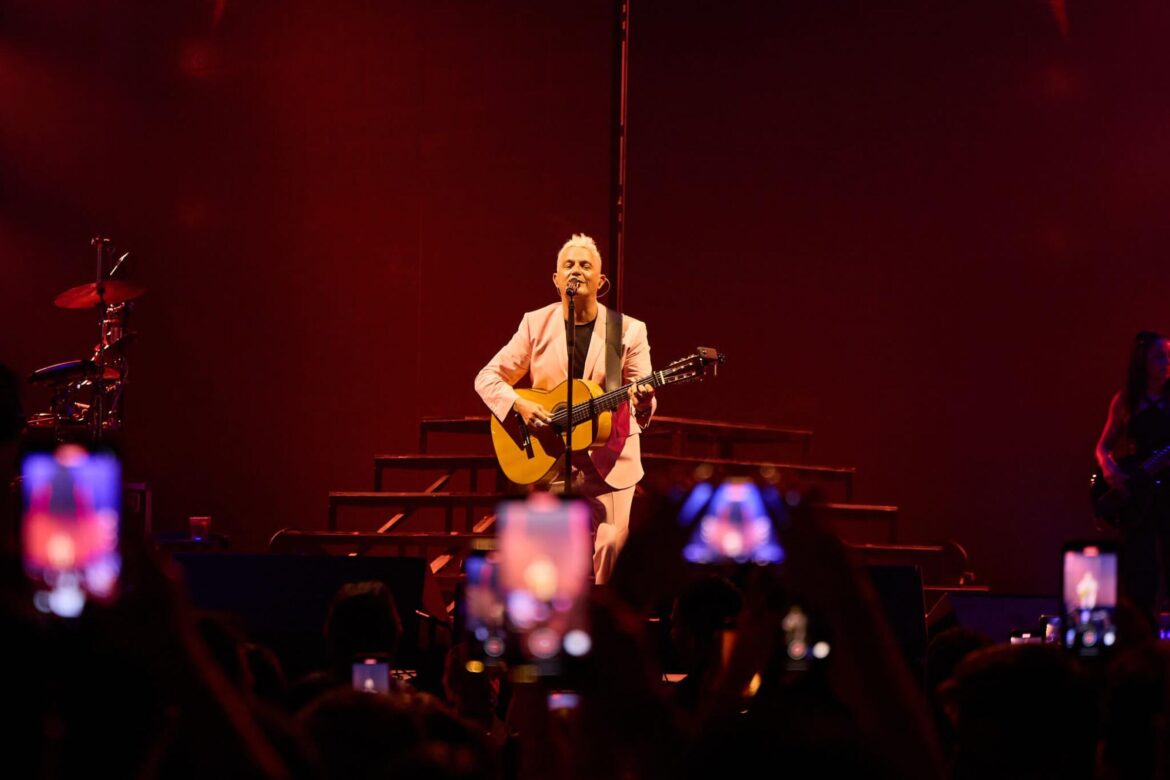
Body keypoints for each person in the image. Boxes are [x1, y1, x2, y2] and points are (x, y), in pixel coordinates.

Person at [475, 234, 655, 583]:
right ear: (556, 279)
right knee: (546, 560)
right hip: (552, 455)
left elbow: (641, 391)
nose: (576, 271)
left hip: (611, 455)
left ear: (601, 281)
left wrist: (645, 401)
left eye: (585, 265)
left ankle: (606, 625)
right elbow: (487, 377)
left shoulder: (627, 331)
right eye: (568, 265)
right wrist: (520, 406)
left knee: (611, 548)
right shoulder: (535, 323)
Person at [1095, 330, 1170, 623]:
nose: (1167, 362)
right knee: (1139, 566)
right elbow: (1103, 446)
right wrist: (1109, 469)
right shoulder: (1126, 399)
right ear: (1142, 361)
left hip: (1167, 493)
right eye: (1159, 356)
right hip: (1138, 495)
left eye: (1169, 356)